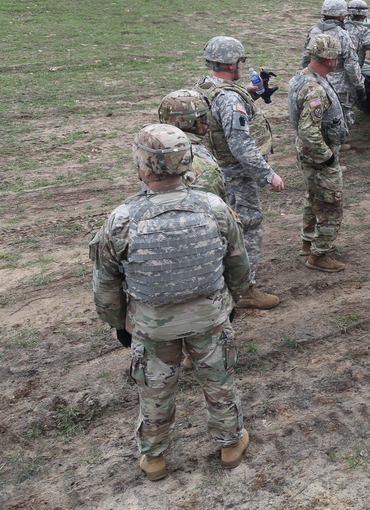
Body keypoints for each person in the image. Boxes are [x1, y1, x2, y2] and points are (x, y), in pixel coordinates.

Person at [90, 124, 252, 481]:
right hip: (209, 318)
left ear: (141, 167)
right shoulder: (215, 207)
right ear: (186, 162)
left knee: (155, 390)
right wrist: (231, 302)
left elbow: (105, 286)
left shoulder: (122, 219)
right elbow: (239, 265)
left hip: (152, 325)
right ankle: (229, 444)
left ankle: (154, 458)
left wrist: (120, 323)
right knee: (218, 381)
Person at [194, 36, 282, 310]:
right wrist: (268, 175)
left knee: (222, 227)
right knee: (248, 226)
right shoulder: (230, 99)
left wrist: (253, 92)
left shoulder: (204, 87)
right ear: (232, 63)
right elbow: (241, 143)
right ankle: (245, 289)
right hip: (235, 173)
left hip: (213, 169)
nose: (244, 64)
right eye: (241, 60)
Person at [288, 33, 350, 272]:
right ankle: (319, 254)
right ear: (330, 59)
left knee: (313, 196)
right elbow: (308, 129)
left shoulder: (301, 78)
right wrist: (328, 157)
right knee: (331, 203)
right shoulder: (315, 89)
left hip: (307, 152)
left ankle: (308, 241)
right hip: (318, 155)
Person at [300, 0, 366, 125]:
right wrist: (360, 86)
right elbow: (351, 64)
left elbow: (305, 59)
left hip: (315, 80)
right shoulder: (342, 34)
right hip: (339, 85)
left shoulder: (313, 31)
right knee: (340, 117)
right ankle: (337, 143)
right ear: (341, 15)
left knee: (316, 112)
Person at [158, 89, 226, 199]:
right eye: (203, 117)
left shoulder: (155, 148)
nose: (208, 122)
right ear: (190, 121)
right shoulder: (198, 161)